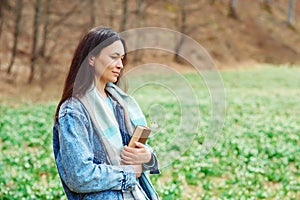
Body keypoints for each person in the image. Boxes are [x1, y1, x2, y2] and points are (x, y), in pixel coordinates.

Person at [53, 27, 160, 200]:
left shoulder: (120, 104)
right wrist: (129, 173)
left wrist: (147, 156)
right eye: (114, 57)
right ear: (92, 58)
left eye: (122, 58)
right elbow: (80, 176)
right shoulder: (74, 111)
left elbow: (134, 153)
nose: (120, 65)